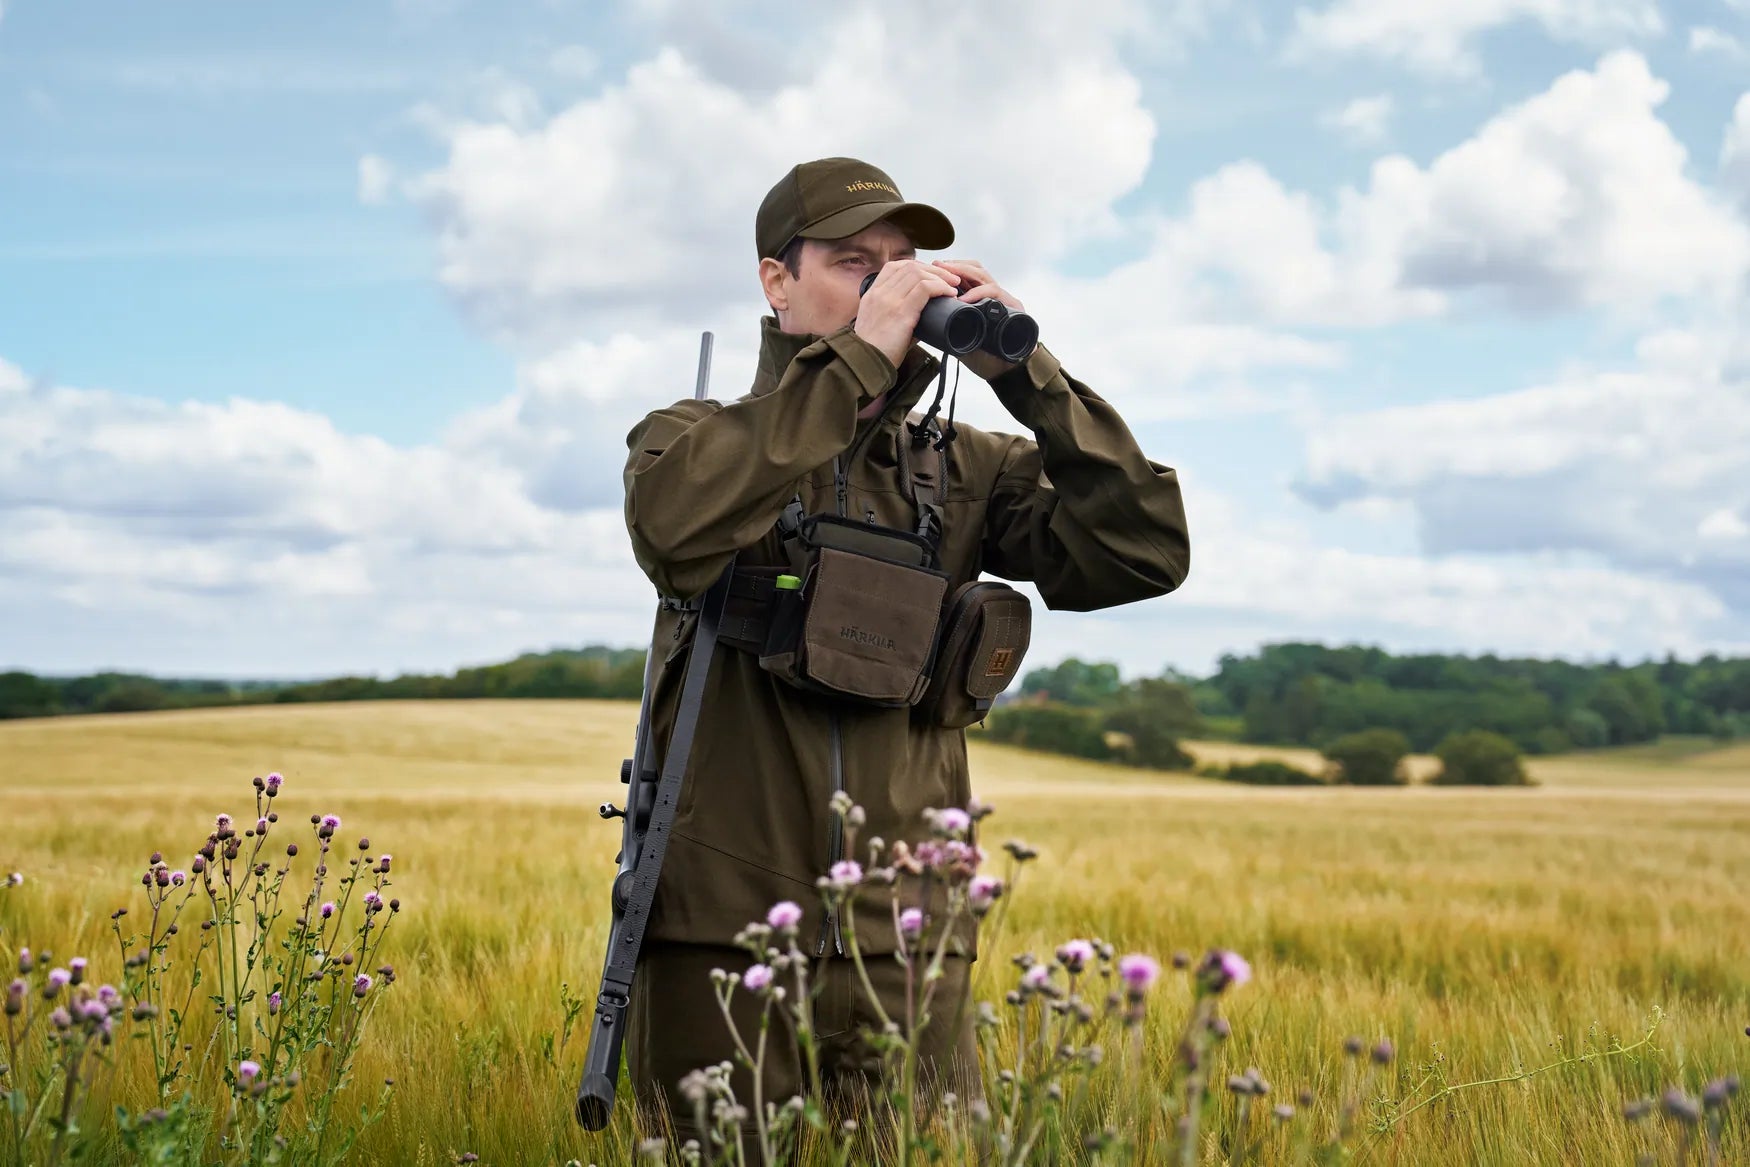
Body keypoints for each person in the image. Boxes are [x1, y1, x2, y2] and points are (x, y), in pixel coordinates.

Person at [620, 156, 1190, 1152]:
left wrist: (1032, 377)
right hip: (723, 942)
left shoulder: (964, 471)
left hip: (911, 951)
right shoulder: (693, 438)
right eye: (853, 264)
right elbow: (675, 533)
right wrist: (853, 367)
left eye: (903, 266)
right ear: (775, 280)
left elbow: (1145, 552)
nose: (889, 286)